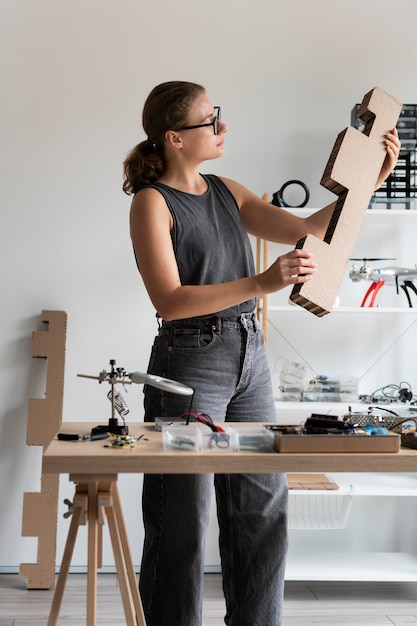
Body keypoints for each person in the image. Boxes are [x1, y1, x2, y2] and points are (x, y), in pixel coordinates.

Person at [123, 81, 400, 626]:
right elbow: (170, 301)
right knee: (182, 516)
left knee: (261, 506)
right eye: (210, 120)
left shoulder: (226, 189)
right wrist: (263, 281)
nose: (222, 128)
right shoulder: (151, 204)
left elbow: (305, 229)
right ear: (175, 138)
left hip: (248, 356)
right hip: (190, 359)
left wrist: (368, 184)